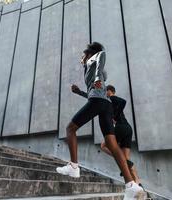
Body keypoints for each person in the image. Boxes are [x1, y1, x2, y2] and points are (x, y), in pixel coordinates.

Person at [56, 42, 145, 199]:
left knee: (70, 129)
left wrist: (97, 75)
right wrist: (79, 91)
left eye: (83, 55)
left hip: (98, 102)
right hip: (105, 105)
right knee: (111, 144)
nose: (81, 58)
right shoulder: (92, 69)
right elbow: (95, 90)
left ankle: (73, 166)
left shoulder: (95, 61)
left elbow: (101, 56)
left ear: (90, 54)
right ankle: (131, 185)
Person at [71, 84, 143, 187]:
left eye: (106, 91)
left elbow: (123, 101)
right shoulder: (108, 100)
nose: (104, 93)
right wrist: (79, 92)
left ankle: (131, 179)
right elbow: (92, 97)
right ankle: (137, 184)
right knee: (126, 161)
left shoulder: (111, 98)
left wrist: (115, 116)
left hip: (120, 127)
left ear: (110, 91)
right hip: (128, 129)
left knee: (104, 146)